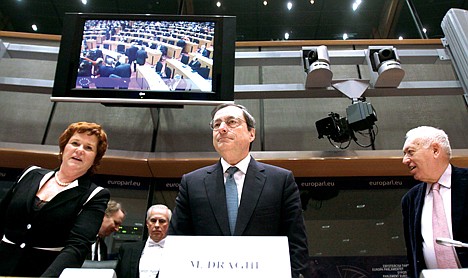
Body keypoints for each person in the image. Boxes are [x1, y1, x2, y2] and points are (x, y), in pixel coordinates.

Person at [168, 103, 311, 278]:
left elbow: (296, 244)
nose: (222, 129)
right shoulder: (192, 183)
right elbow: (176, 243)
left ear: (252, 133)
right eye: (216, 124)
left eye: (231, 122)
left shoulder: (280, 181)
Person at [0, 121, 110, 277]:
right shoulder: (31, 174)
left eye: (88, 148)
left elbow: (77, 247)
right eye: (75, 143)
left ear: (95, 159)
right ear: (64, 147)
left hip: (43, 272)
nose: (79, 150)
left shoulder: (95, 195)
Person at [401, 126, 468, 277]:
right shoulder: (410, 200)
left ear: (435, 150)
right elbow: (413, 256)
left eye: (410, 152)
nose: (405, 160)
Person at [115, 204, 172, 278]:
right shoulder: (127, 250)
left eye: (162, 221)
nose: (157, 225)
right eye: (153, 220)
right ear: (147, 223)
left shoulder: (178, 253)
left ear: (169, 224)